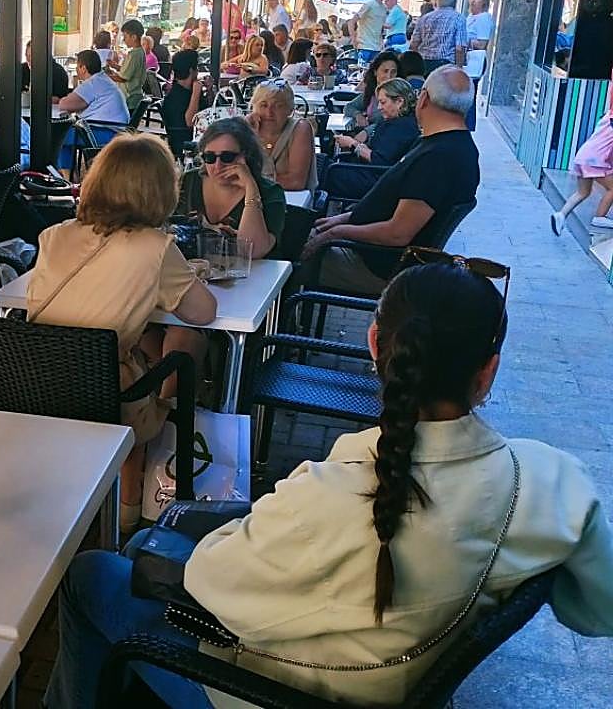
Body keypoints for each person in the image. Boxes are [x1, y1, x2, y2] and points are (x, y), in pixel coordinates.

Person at [46, 255, 613, 709]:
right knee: (144, 550)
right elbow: (599, 611)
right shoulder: (548, 482)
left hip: (256, 692)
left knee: (94, 572)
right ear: (487, 372)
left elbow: (209, 584)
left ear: (374, 346)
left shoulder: (327, 494)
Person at [27, 133, 217, 532]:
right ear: (162, 190)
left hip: (31, 383)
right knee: (167, 363)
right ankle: (128, 514)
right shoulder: (157, 248)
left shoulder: (55, 234)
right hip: (105, 395)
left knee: (132, 360)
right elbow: (204, 313)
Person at [303, 66, 481, 295]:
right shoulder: (444, 145)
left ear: (424, 98)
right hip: (373, 254)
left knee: (284, 251)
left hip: (375, 265)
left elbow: (398, 232)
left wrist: (338, 232)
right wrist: (343, 219)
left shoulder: (439, 158)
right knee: (297, 229)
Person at [179, 117, 286, 259]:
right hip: (194, 274)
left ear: (246, 156)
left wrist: (251, 189)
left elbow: (253, 251)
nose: (218, 166)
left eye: (227, 157)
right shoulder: (189, 181)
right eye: (210, 157)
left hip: (250, 277)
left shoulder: (270, 193)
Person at [326, 78, 421, 201]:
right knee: (321, 164)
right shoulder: (401, 123)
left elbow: (379, 161)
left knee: (321, 170)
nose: (379, 107)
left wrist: (353, 143)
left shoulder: (400, 128)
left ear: (399, 102)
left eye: (383, 102)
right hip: (372, 175)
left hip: (375, 182)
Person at [550, 73, 613, 233]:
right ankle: (600, 217)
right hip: (594, 161)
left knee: (583, 192)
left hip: (583, 158)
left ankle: (561, 215)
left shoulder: (607, 118)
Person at [57, 49, 131, 172]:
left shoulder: (92, 83)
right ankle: (68, 174)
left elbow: (65, 105)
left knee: (60, 135)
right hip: (115, 129)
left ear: (83, 68)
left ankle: (67, 176)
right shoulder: (102, 79)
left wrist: (62, 100)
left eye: (77, 66)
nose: (76, 69)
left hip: (106, 132)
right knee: (66, 134)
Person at [245, 80, 317, 192]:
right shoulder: (246, 128)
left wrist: (247, 181)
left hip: (294, 203)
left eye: (278, 106)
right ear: (253, 107)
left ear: (290, 110)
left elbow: (296, 182)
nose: (269, 113)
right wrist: (248, 134)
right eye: (263, 105)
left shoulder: (300, 128)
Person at [409, 0, 468, 74]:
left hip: (424, 63)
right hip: (445, 65)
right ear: (455, 1)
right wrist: (459, 69)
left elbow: (414, 44)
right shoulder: (459, 19)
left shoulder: (425, 18)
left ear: (437, 1)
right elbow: (459, 48)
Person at [464, 0, 496, 131]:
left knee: (470, 96)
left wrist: (465, 41)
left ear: (484, 1)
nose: (472, 2)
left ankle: (468, 126)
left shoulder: (484, 18)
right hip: (467, 59)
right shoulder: (470, 17)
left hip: (475, 60)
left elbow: (482, 43)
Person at [161, 50, 202, 158]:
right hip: (185, 142)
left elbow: (208, 109)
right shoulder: (176, 95)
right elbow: (190, 122)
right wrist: (196, 93)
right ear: (191, 70)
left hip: (197, 136)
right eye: (197, 67)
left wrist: (211, 90)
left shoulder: (187, 90)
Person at [345, 49, 401, 128]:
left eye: (393, 72)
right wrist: (358, 115)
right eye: (385, 71)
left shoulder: (399, 96)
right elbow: (349, 107)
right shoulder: (371, 93)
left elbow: (388, 124)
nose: (389, 76)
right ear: (375, 72)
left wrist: (367, 132)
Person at [107, 19, 147, 114]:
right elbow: (129, 70)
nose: (124, 40)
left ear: (133, 37)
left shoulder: (134, 54)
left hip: (130, 98)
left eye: (125, 37)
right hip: (135, 95)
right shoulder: (140, 52)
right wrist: (115, 66)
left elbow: (123, 78)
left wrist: (105, 76)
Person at [348, 0, 390, 64]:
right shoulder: (369, 5)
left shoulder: (384, 8)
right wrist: (354, 40)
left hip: (377, 47)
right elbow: (351, 22)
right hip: (364, 46)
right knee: (360, 72)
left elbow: (380, 25)